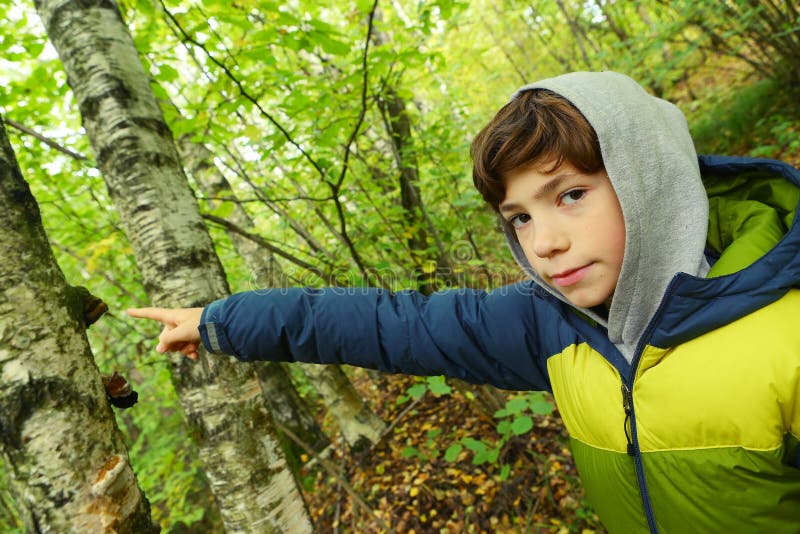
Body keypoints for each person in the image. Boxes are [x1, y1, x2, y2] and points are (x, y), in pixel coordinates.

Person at [128, 71, 800, 533]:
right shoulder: (554, 327)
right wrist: (221, 322)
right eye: (520, 219)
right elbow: (395, 326)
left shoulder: (784, 336)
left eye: (569, 195)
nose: (546, 244)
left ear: (649, 178)